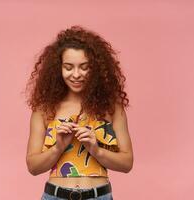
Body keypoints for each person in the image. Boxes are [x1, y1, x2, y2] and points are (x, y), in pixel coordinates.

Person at [25, 25, 134, 200]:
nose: (76, 74)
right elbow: (33, 167)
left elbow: (127, 163)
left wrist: (96, 150)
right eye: (68, 67)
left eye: (84, 67)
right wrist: (58, 147)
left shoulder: (111, 107)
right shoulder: (44, 109)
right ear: (57, 69)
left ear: (96, 68)